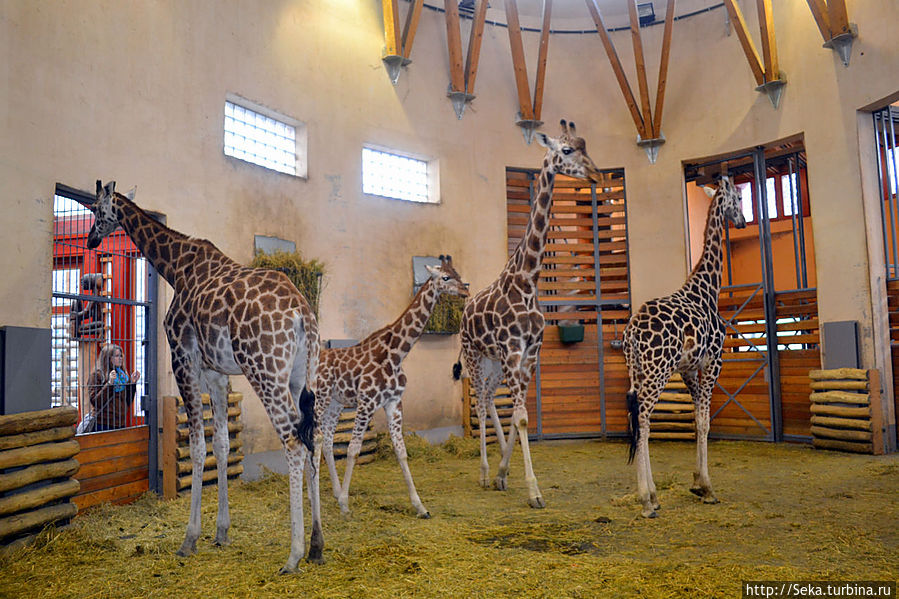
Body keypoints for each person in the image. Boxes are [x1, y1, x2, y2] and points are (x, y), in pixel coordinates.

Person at [87, 343, 141, 431]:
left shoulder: (122, 375)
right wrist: (109, 384)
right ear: (108, 358)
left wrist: (132, 383)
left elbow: (128, 401)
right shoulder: (97, 375)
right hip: (103, 422)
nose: (120, 358)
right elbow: (95, 401)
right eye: (116, 356)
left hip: (120, 422)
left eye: (121, 355)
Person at [69, 273, 104, 340]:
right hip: (97, 319)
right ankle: (99, 330)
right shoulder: (95, 293)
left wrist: (77, 314)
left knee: (79, 329)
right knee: (78, 327)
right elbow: (89, 313)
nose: (82, 285)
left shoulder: (94, 296)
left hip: (98, 321)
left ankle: (100, 330)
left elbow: (87, 310)